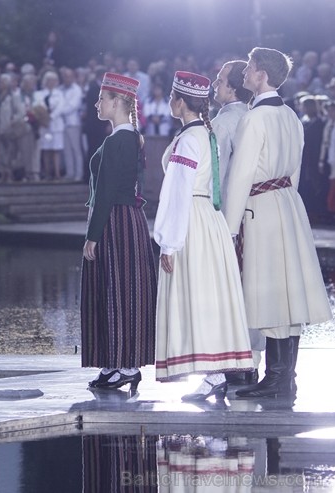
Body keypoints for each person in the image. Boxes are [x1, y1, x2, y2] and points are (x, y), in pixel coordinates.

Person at [224, 48, 332, 399]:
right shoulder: (290, 115)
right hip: (287, 204)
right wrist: (284, 202)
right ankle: (285, 377)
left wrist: (229, 226)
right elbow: (296, 172)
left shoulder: (255, 119)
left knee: (270, 293)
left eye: (250, 68)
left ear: (262, 76)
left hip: (261, 207)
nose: (244, 73)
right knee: (288, 293)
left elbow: (240, 176)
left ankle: (275, 378)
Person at [154, 71, 253, 401]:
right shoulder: (205, 134)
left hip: (192, 221)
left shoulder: (188, 139)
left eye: (171, 97)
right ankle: (215, 370)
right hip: (209, 220)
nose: (170, 102)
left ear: (180, 102)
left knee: (195, 294)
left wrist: (168, 242)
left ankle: (211, 372)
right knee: (209, 295)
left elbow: (178, 192)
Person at [81, 73, 157, 392]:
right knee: (120, 290)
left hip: (117, 221)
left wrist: (93, 235)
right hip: (127, 219)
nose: (98, 103)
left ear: (116, 102)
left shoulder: (119, 140)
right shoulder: (129, 137)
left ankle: (125, 365)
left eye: (102, 98)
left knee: (119, 291)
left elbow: (108, 192)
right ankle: (116, 363)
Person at [210, 60, 262, 386]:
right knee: (250, 288)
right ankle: (250, 361)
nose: (215, 86)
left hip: (228, 216)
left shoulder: (225, 122)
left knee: (227, 291)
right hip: (254, 213)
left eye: (219, 81)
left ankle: (232, 362)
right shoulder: (253, 116)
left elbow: (215, 174)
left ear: (231, 88)